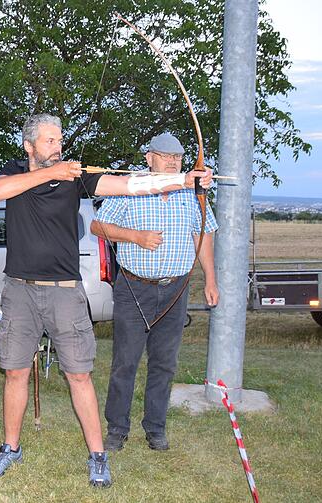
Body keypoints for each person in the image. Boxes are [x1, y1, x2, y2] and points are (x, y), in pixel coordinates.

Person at [0, 115, 212, 488]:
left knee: (78, 374)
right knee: (15, 370)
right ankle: (10, 447)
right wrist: (52, 172)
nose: (57, 147)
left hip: (64, 291)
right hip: (20, 289)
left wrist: (183, 180)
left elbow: (129, 185)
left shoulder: (79, 179)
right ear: (30, 147)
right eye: (49, 141)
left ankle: (97, 455)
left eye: (59, 140)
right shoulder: (14, 173)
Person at [91, 132, 219, 454]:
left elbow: (202, 235)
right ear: (150, 158)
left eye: (177, 158)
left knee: (164, 363)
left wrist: (211, 281)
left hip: (175, 290)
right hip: (134, 288)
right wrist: (135, 237)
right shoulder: (130, 188)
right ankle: (117, 429)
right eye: (165, 156)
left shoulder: (193, 193)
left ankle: (156, 429)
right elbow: (97, 226)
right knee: (125, 362)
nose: (173, 162)